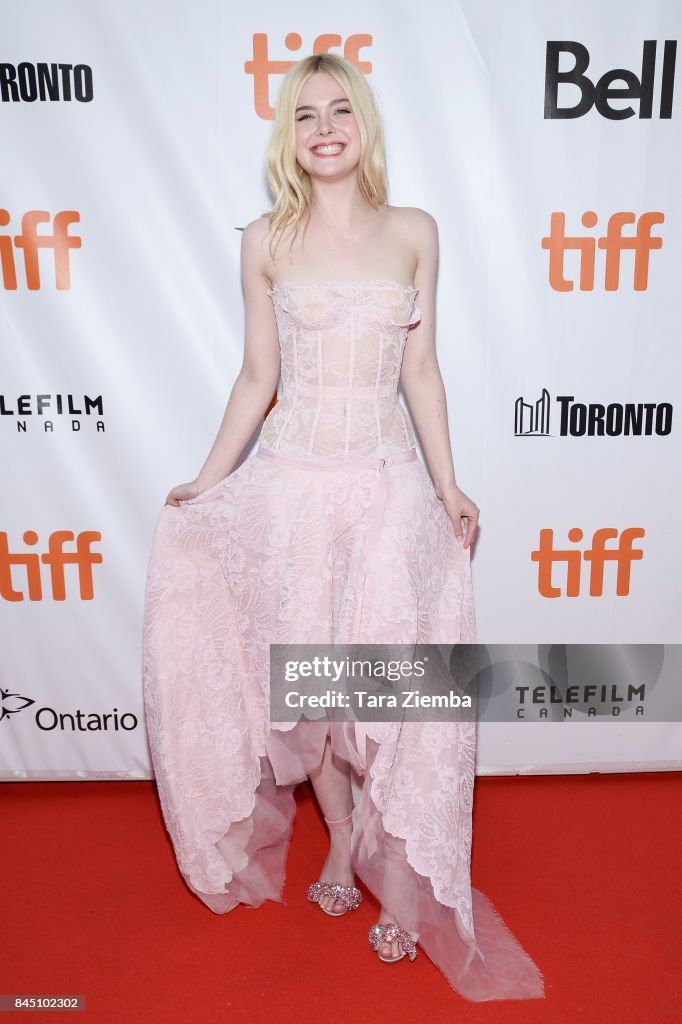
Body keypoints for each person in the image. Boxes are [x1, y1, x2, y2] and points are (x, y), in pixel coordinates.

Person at [143, 52, 544, 1001]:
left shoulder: (415, 232)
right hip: (289, 491)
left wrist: (449, 485)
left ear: (364, 125)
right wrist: (207, 482)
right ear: (289, 135)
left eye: (341, 110)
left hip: (391, 488)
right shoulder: (265, 242)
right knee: (313, 692)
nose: (324, 126)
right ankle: (338, 846)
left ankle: (401, 891)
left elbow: (423, 374)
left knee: (394, 695)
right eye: (305, 114)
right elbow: (257, 378)